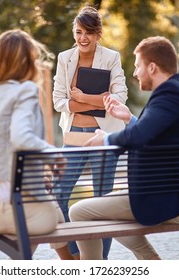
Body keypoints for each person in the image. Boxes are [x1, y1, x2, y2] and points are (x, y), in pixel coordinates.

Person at [69, 36, 179, 260]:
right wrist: (129, 118)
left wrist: (106, 140)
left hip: (175, 199)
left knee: (79, 212)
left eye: (138, 66)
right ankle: (150, 261)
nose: (135, 73)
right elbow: (158, 136)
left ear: (152, 67)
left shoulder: (169, 94)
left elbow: (141, 136)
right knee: (105, 205)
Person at [0, 29, 73, 260]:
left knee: (48, 203)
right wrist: (54, 155)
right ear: (26, 61)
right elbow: (20, 137)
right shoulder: (25, 90)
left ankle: (29, 264)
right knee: (53, 208)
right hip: (25, 214)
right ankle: (76, 265)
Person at [52, 6, 128, 259]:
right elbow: (58, 101)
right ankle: (76, 254)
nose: (83, 38)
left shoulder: (111, 57)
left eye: (89, 33)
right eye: (78, 32)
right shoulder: (65, 58)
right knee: (59, 194)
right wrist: (93, 101)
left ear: (98, 34)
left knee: (102, 201)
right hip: (74, 135)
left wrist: (85, 98)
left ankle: (99, 261)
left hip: (103, 137)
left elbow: (120, 96)